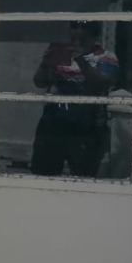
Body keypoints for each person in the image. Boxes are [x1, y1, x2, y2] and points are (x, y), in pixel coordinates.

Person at [30, 21, 119, 177]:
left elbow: (102, 83)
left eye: (83, 30)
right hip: (53, 124)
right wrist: (46, 62)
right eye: (74, 28)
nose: (77, 34)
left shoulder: (105, 57)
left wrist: (80, 59)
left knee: (83, 176)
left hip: (87, 127)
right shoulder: (61, 54)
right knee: (43, 174)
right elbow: (39, 82)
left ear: (93, 35)